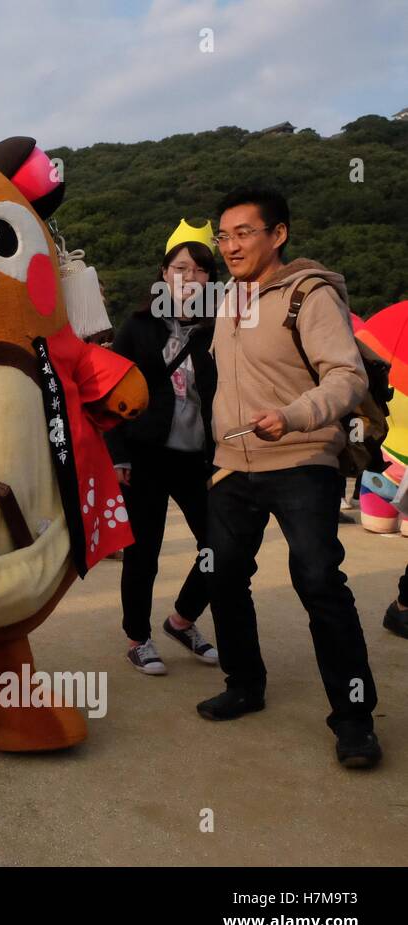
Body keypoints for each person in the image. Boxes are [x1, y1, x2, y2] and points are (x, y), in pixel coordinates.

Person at [199, 185, 380, 769]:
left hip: (302, 458)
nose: (230, 245)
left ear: (277, 234)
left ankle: (353, 718)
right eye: (223, 235)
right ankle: (245, 684)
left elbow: (347, 378)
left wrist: (293, 415)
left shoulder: (310, 294)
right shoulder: (227, 299)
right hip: (233, 468)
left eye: (243, 232)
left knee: (319, 581)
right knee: (224, 578)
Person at [107, 221, 220, 675]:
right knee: (144, 552)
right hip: (146, 454)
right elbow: (110, 389)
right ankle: (138, 637)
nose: (188, 277)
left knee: (221, 546)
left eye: (198, 270)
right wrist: (118, 454)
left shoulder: (222, 327)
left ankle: (181, 620)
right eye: (179, 268)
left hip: (200, 457)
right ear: (163, 273)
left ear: (211, 280)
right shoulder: (138, 326)